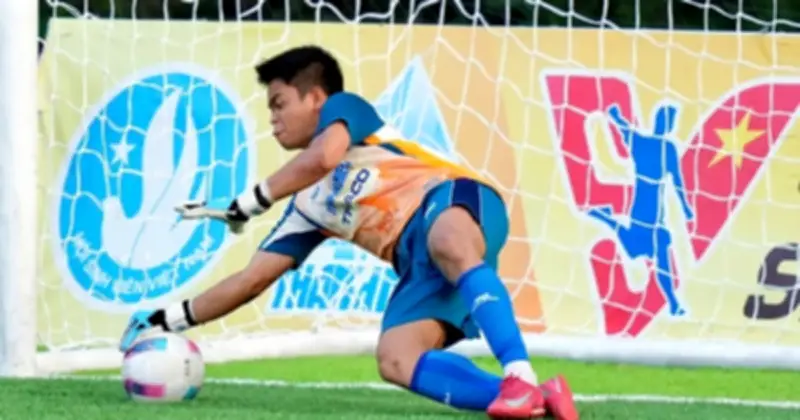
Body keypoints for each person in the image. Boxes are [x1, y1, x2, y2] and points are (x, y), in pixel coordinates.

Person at [119, 45, 578, 420]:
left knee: (447, 242)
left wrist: (253, 200)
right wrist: (167, 319)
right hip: (418, 264)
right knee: (395, 359)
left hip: (453, 201)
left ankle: (519, 374)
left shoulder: (345, 110)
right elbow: (251, 280)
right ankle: (539, 400)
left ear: (316, 99)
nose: (272, 119)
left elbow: (323, 157)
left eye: (279, 104)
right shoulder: (306, 209)